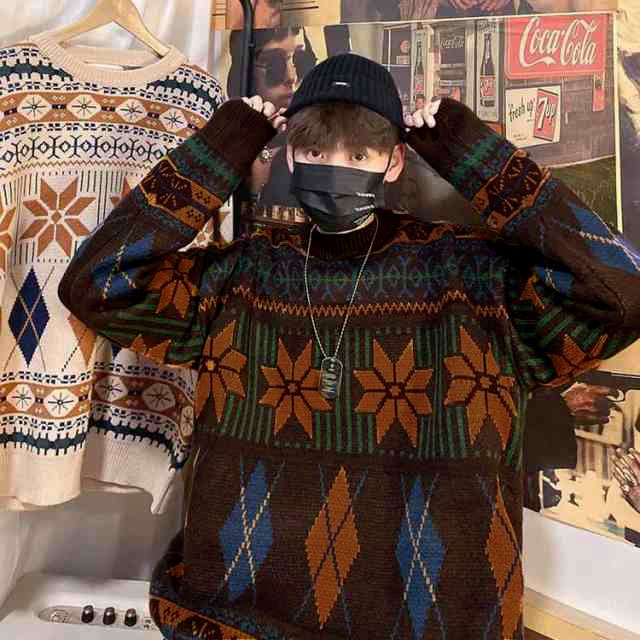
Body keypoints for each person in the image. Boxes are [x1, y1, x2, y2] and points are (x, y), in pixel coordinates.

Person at [59, 53, 640, 639]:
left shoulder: (473, 277)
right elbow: (96, 284)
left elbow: (623, 296)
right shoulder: (243, 274)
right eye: (315, 151)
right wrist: (223, 150)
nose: (334, 169)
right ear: (290, 156)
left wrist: (473, 156)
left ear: (394, 162)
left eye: (358, 155)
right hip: (235, 618)